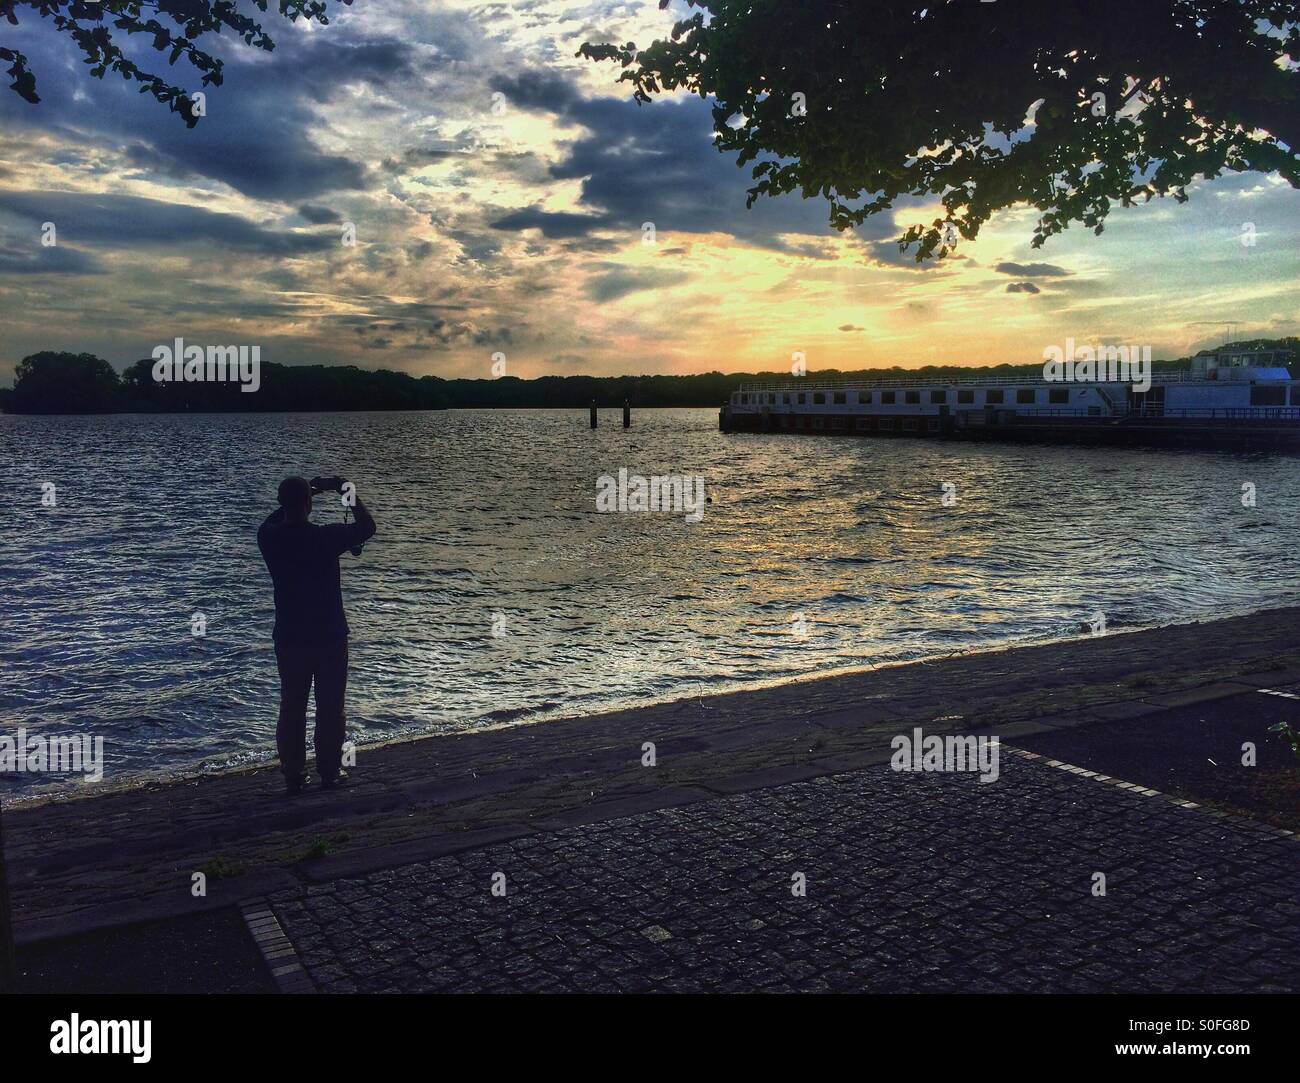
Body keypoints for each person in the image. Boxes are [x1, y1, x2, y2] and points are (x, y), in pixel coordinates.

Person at [257, 476, 376, 795]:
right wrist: (343, 490)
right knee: (330, 706)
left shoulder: (268, 538)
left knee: (292, 706)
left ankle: (293, 775)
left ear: (283, 504)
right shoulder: (326, 537)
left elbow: (275, 517)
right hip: (329, 635)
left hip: (290, 636)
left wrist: (307, 490)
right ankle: (329, 771)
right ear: (309, 505)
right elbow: (367, 526)